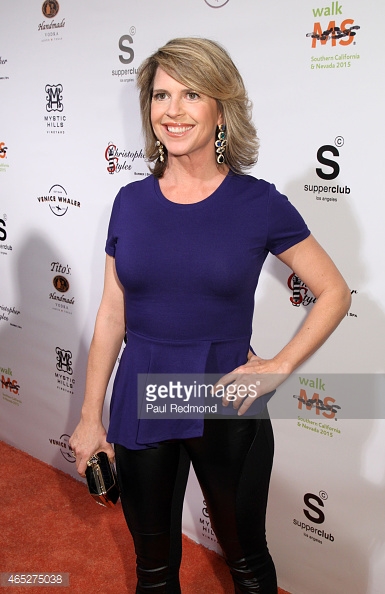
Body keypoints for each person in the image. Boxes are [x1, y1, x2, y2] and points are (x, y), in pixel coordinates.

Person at [69, 38, 351, 593]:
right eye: (160, 95)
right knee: (152, 570)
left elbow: (335, 291)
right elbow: (111, 314)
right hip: (141, 397)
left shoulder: (258, 203)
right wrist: (88, 416)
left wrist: (278, 366)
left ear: (221, 108)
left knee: (246, 565)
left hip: (225, 398)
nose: (172, 111)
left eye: (191, 93)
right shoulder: (130, 201)